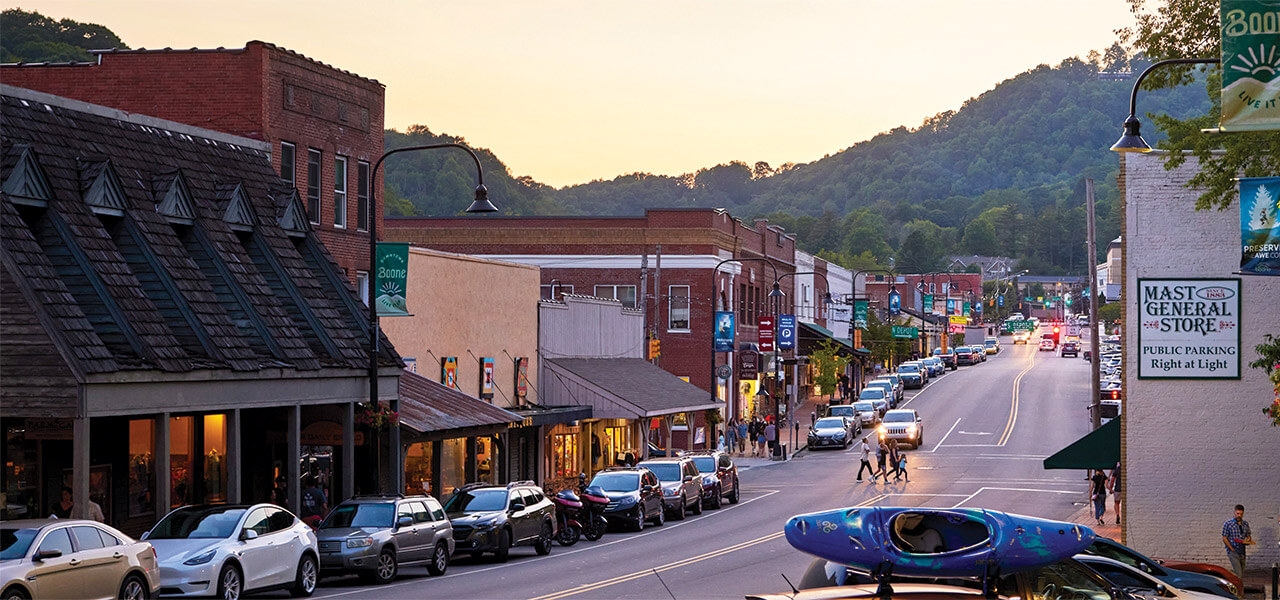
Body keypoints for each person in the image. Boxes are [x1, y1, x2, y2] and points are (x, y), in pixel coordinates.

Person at [1221, 504, 1254, 581]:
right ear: (1234, 513)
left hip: (1242, 550)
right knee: (1238, 574)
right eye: (1237, 513)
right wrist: (1231, 548)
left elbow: (1248, 535)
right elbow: (1224, 538)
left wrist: (1248, 540)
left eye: (1241, 514)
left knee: (1241, 573)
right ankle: (1237, 591)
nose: (1239, 515)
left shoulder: (1245, 524)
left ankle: (1233, 584)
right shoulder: (1228, 524)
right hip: (1233, 551)